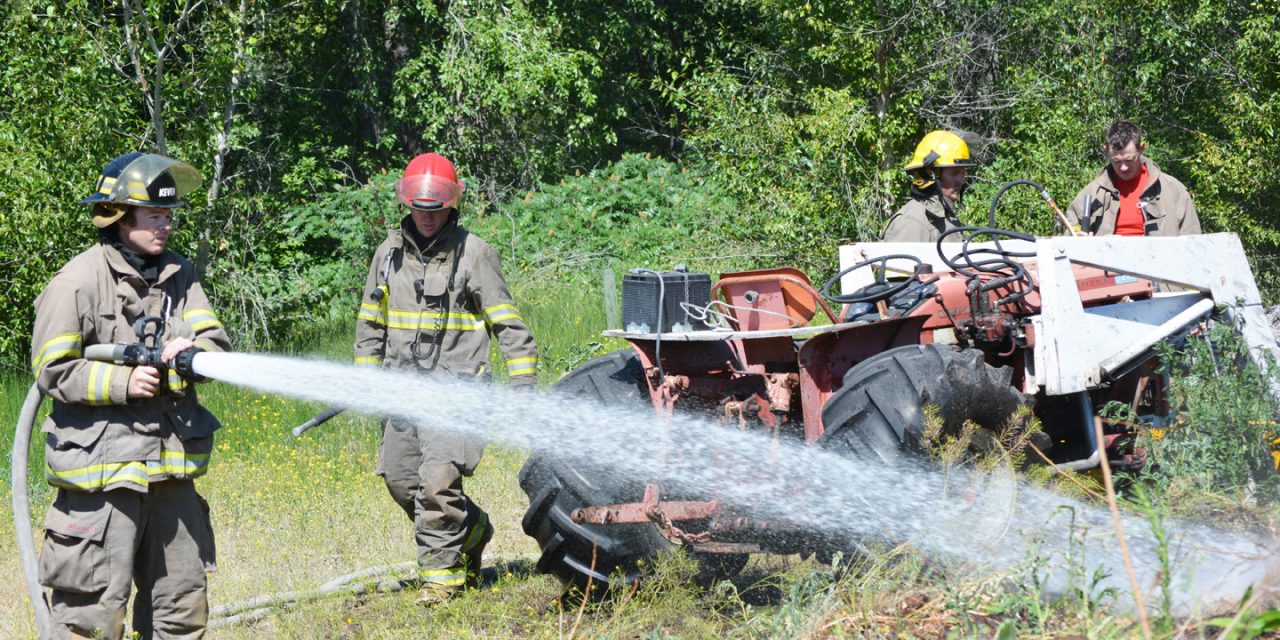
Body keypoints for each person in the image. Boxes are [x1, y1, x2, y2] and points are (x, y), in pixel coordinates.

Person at [30, 152, 231, 639]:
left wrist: (194, 351)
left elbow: (217, 344)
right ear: (120, 219)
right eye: (154, 216)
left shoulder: (182, 275)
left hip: (170, 471)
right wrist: (121, 382)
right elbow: (51, 370)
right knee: (93, 614)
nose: (165, 226)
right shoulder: (76, 282)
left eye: (168, 216)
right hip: (103, 477)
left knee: (182, 605)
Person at [354, 152, 538, 605]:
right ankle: (472, 529)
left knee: (437, 482)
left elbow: (510, 328)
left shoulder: (476, 255)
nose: (428, 217)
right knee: (403, 482)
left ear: (451, 206)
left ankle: (441, 582)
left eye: (436, 209)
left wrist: (522, 391)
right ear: (407, 205)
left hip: (458, 395)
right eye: (420, 208)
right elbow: (369, 324)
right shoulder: (388, 255)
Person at [1065, 120, 1200, 236]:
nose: (1123, 167)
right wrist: (1075, 235)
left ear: (1141, 149)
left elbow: (1193, 240)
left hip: (1158, 264)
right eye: (1117, 161)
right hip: (1107, 264)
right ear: (1106, 151)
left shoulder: (1173, 190)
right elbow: (1069, 226)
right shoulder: (1094, 192)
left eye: (1129, 160)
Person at [881, 130, 976, 242]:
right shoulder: (912, 222)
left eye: (962, 174)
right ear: (929, 175)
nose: (961, 181)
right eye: (954, 173)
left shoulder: (943, 216)